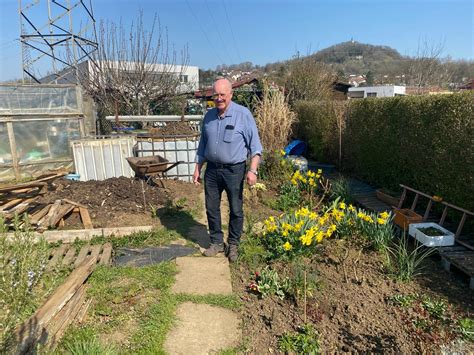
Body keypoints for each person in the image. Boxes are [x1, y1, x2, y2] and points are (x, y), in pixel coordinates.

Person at [193, 78, 262, 262]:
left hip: (234, 170)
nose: (219, 98)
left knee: (236, 209)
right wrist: (198, 167)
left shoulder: (243, 115)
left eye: (223, 94)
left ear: (231, 94)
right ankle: (216, 242)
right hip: (212, 170)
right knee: (211, 207)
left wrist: (252, 171)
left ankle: (233, 244)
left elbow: (255, 147)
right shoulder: (208, 117)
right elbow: (202, 146)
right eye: (216, 95)